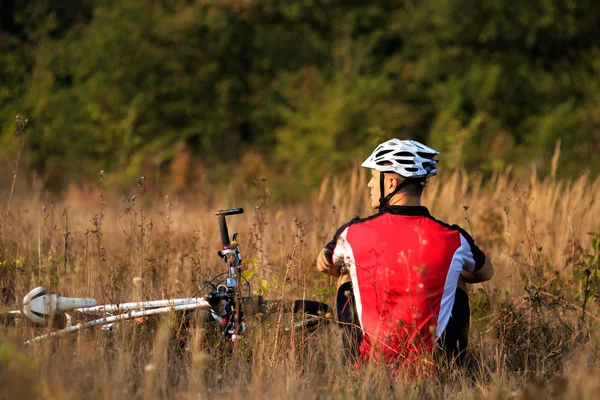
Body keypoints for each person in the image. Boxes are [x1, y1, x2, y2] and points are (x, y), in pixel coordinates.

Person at [316, 139, 493, 370]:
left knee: (347, 275)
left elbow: (323, 265)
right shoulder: (453, 237)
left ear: (390, 183)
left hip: (371, 368)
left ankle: (354, 362)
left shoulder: (353, 233)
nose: (370, 185)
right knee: (457, 277)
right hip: (432, 368)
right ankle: (453, 368)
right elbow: (486, 272)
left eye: (372, 176)